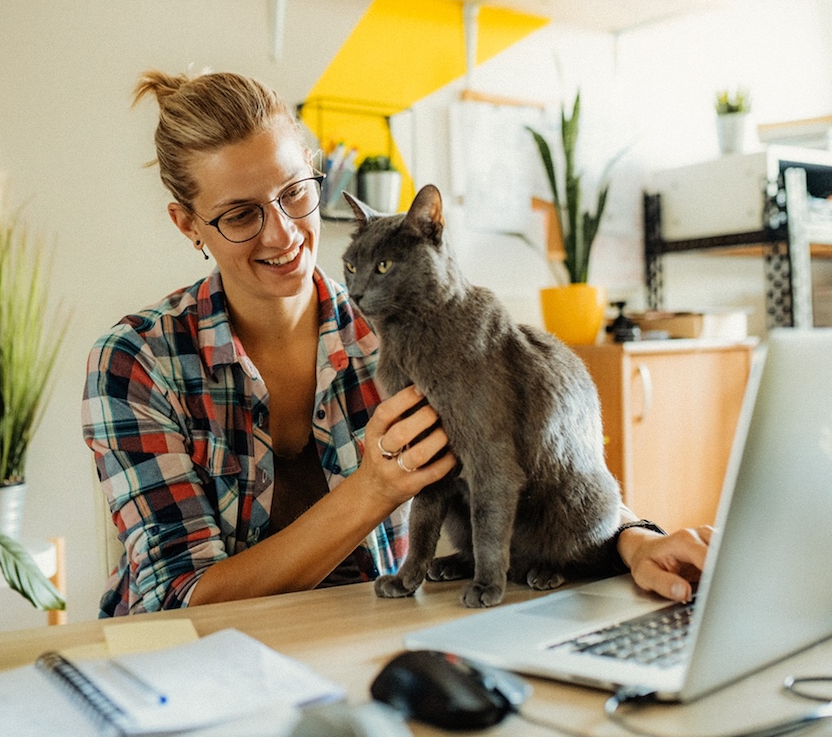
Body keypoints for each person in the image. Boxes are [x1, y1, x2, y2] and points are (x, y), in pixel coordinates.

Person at [82, 69, 713, 616]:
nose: (283, 234)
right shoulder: (138, 363)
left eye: (296, 193)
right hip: (187, 674)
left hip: (367, 640)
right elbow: (180, 602)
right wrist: (374, 489)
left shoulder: (410, 332)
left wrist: (635, 540)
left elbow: (547, 471)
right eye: (242, 214)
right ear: (188, 224)